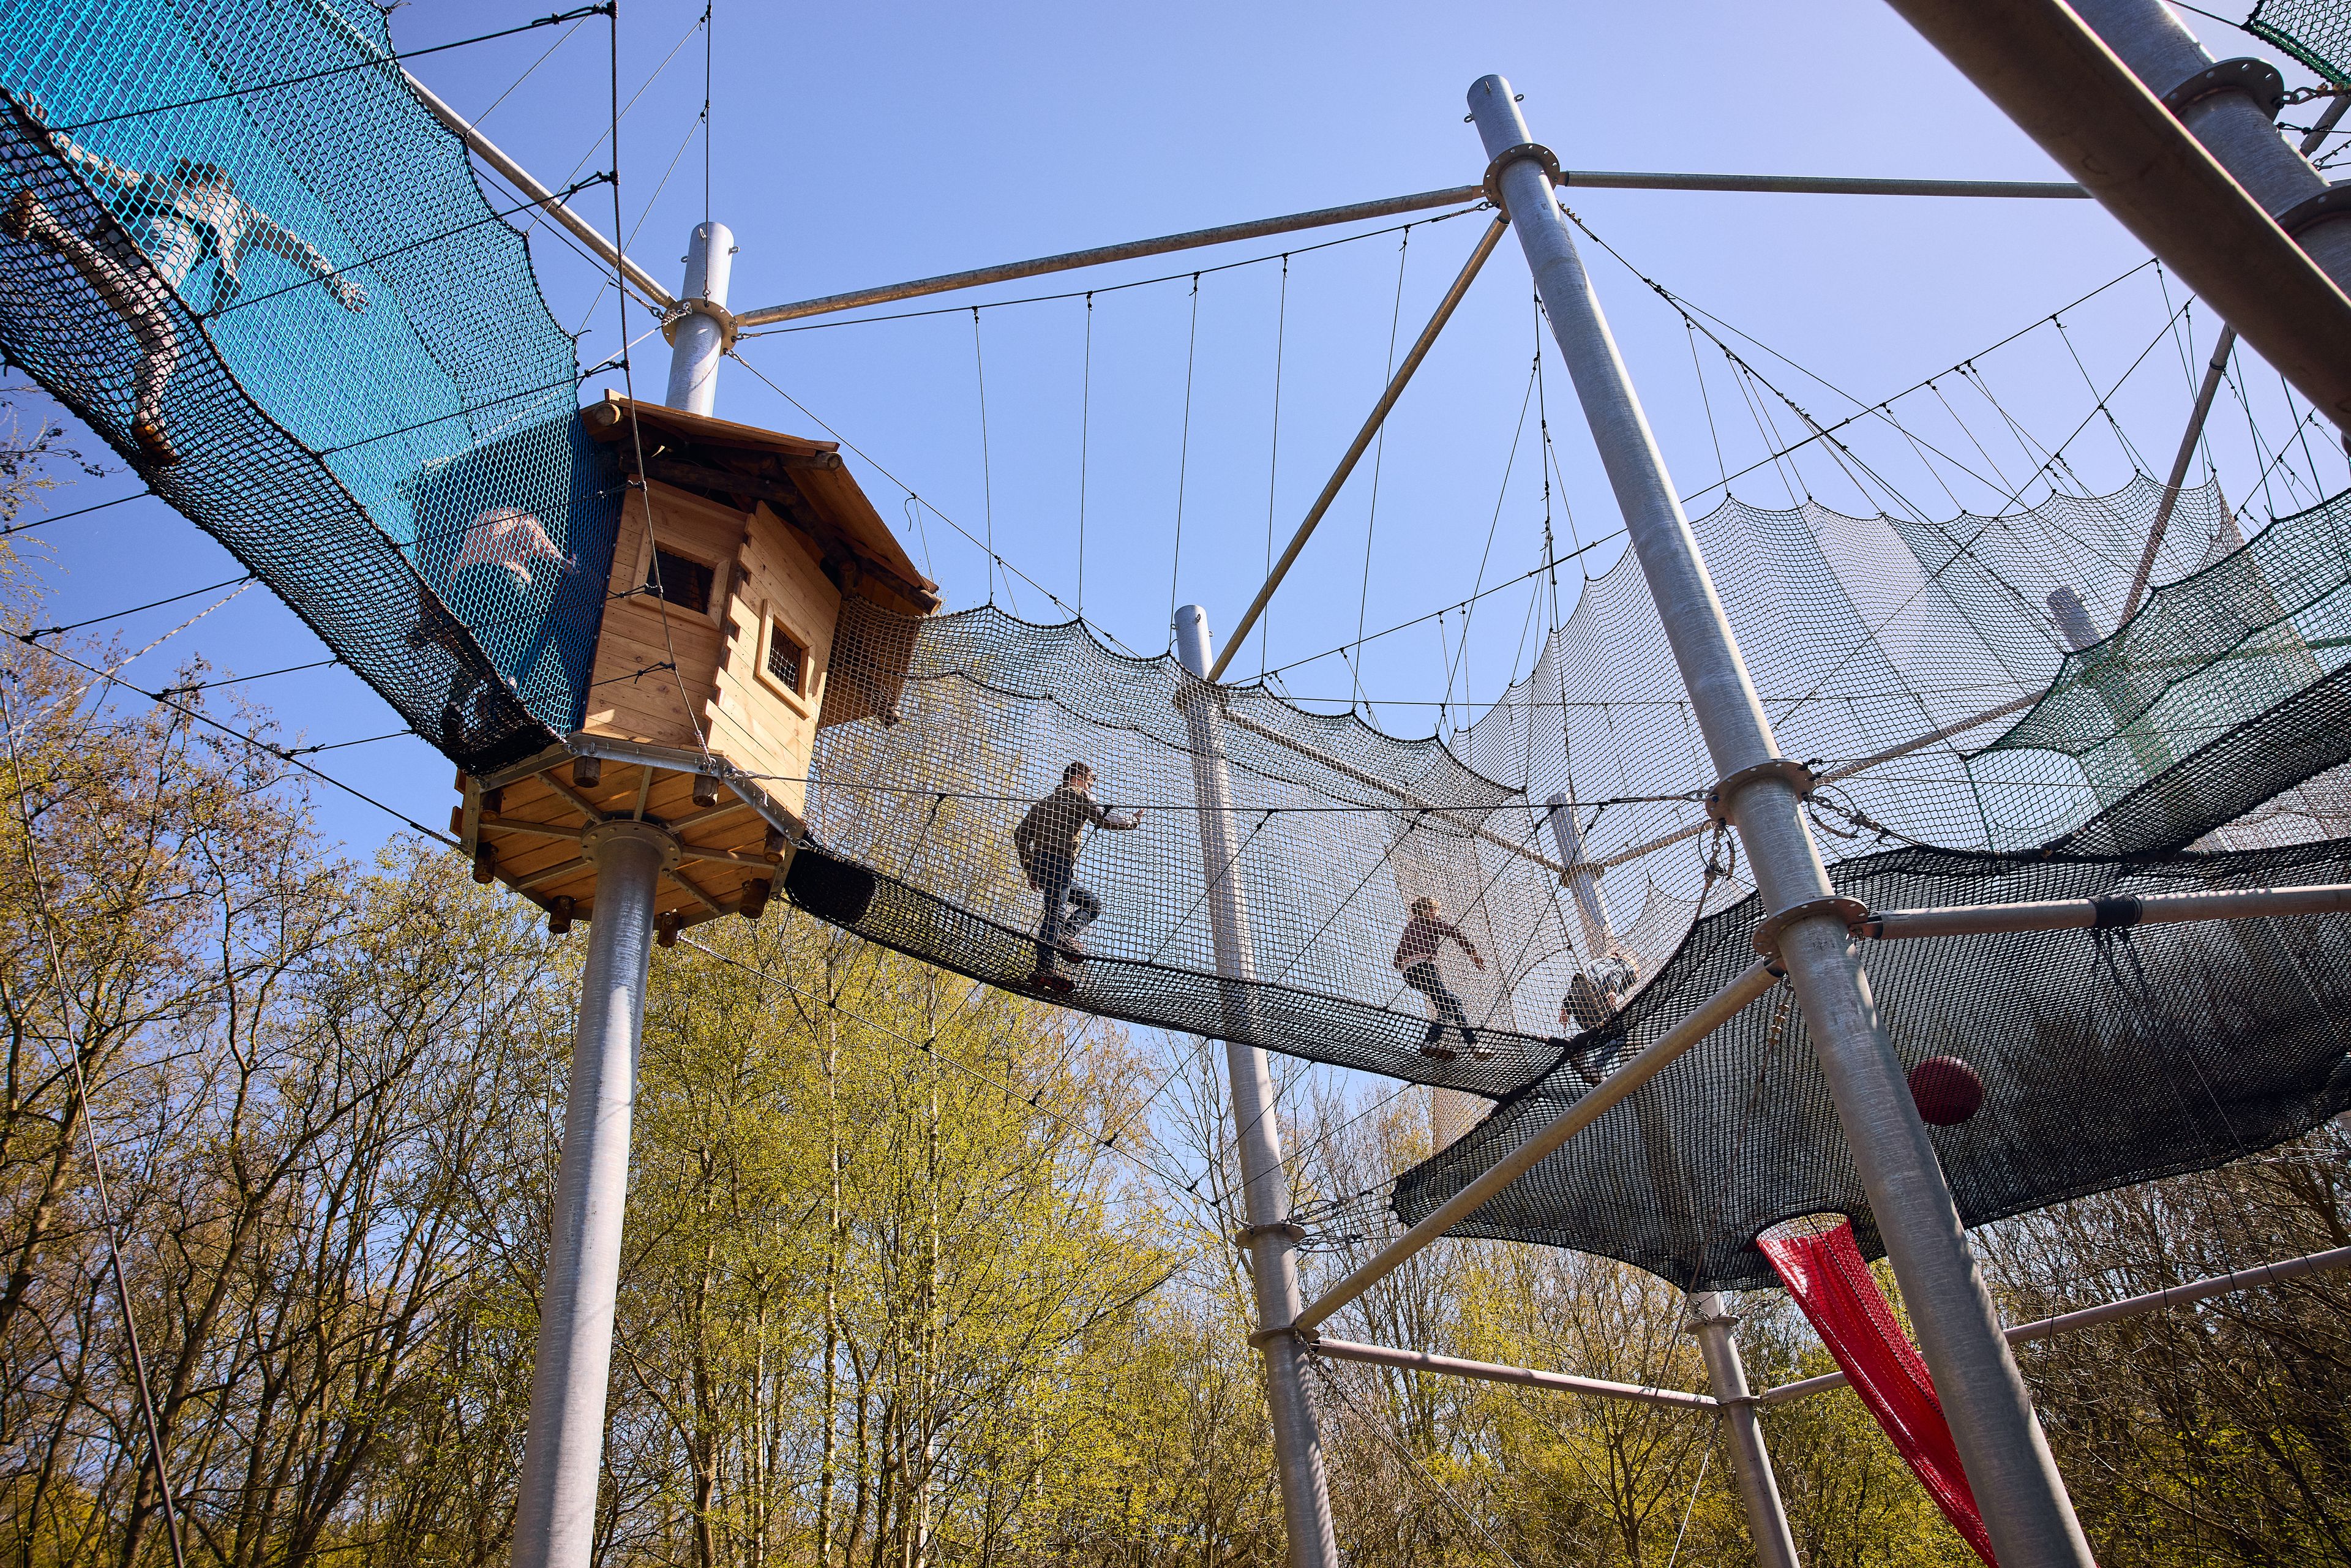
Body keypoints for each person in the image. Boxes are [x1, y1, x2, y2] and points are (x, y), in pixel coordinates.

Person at [2, 93, 366, 465]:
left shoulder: (154, 182)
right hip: (174, 240)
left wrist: (46, 136)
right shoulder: (235, 209)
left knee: (164, 339)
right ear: (219, 186)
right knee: (145, 301)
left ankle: (147, 416)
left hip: (115, 237)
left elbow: (103, 169)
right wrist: (334, 282)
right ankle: (46, 223)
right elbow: (292, 245)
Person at [1014, 762, 1142, 993]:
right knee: (1055, 912)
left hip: (1046, 866)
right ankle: (1044, 970)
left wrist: (1031, 868)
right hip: (1058, 863)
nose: (1093, 784)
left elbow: (1020, 835)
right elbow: (1105, 821)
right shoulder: (1078, 797)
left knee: (1091, 904)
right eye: (1092, 779)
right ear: (1079, 777)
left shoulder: (1041, 805)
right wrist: (1133, 821)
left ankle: (1064, 935)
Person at [1393, 894, 1486, 1061]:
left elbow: (1396, 960)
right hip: (1426, 969)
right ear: (1429, 910)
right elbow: (1454, 932)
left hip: (1409, 975)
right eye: (1436, 910)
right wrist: (1473, 953)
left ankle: (1464, 1043)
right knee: (1453, 1002)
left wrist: (1407, 962)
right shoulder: (1430, 922)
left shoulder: (1410, 927)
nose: (1438, 914)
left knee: (1447, 1005)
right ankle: (1468, 1044)